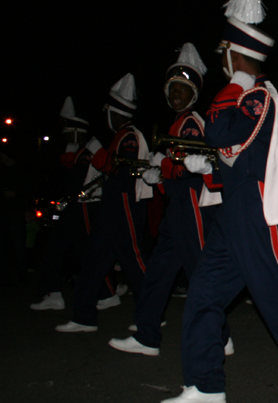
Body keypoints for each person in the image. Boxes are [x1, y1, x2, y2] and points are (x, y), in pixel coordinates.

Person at [163, 0, 278, 403]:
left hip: (258, 213)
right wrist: (207, 166)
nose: (221, 59)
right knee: (203, 294)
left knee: (273, 297)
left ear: (234, 53)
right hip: (232, 212)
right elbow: (233, 155)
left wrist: (236, 81)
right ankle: (205, 385)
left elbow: (219, 132)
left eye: (225, 52)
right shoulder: (245, 96)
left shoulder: (257, 96)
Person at [108, 43, 232, 357]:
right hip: (178, 209)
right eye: (172, 88)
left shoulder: (192, 123)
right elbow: (178, 169)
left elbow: (192, 168)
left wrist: (162, 168)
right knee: (158, 274)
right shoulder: (179, 123)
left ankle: (221, 336)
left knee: (200, 274)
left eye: (182, 89)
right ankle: (147, 335)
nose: (176, 93)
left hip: (191, 208)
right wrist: (160, 177)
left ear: (194, 93)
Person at [56, 73, 153, 332]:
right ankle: (83, 317)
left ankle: (152, 314)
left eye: (107, 111)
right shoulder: (120, 136)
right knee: (93, 263)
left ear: (115, 112)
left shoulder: (129, 136)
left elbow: (124, 173)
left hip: (125, 206)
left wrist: (98, 155)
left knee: (134, 262)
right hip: (113, 209)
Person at [30, 97, 119, 310]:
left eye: (69, 132)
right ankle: (53, 293)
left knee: (90, 252)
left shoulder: (90, 149)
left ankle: (108, 293)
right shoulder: (77, 151)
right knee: (55, 249)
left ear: (78, 131)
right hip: (75, 208)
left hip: (88, 207)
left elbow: (104, 171)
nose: (66, 136)